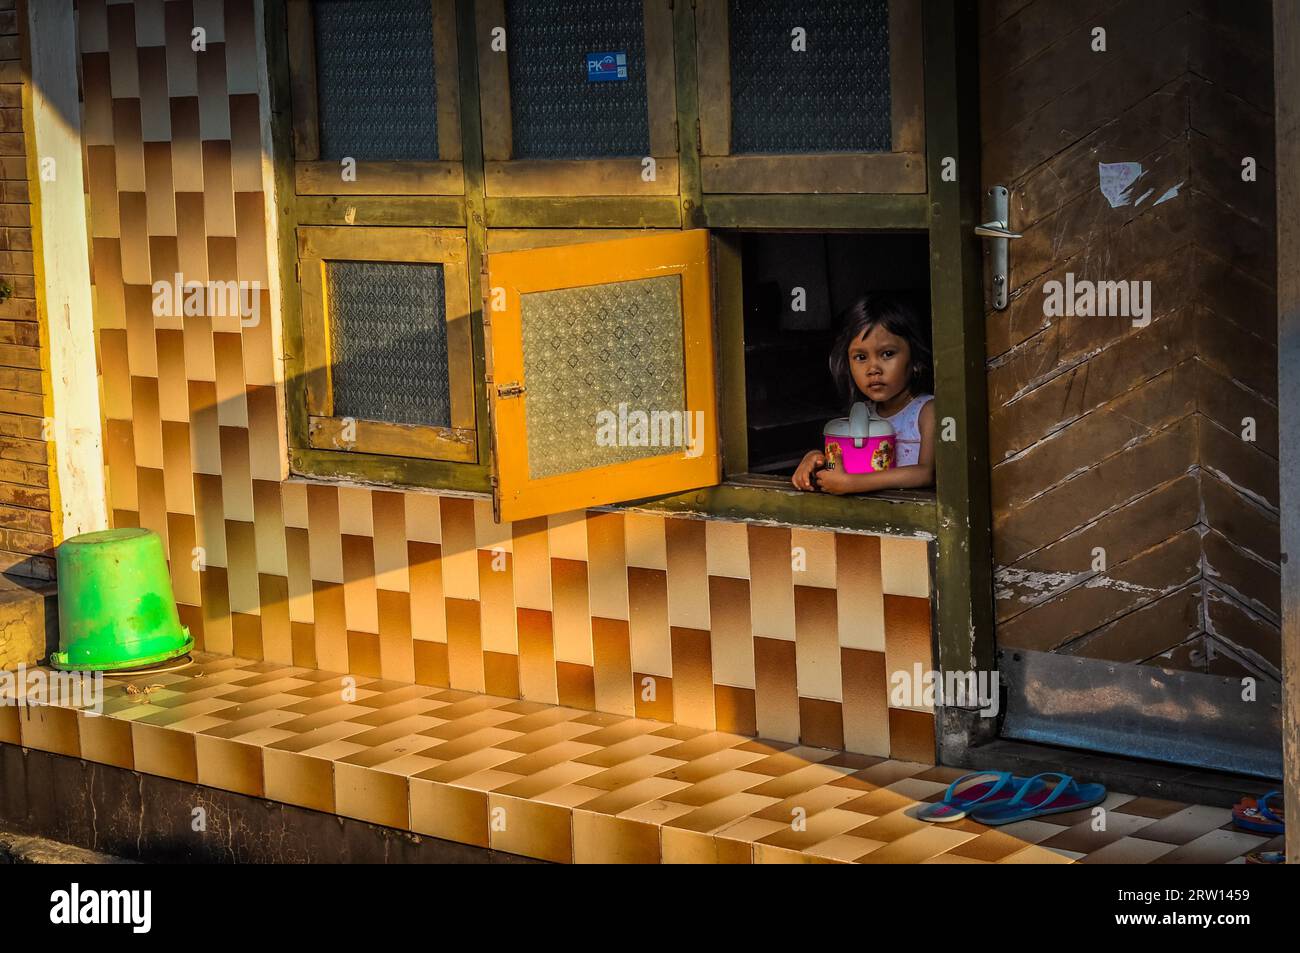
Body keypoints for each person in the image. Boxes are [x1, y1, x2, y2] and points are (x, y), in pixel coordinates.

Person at [792, 294, 936, 494]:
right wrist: (817, 461)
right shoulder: (861, 415)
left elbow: (926, 473)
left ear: (916, 361)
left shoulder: (927, 411)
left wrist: (853, 484)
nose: (873, 368)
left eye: (887, 354)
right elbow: (839, 469)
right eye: (861, 357)